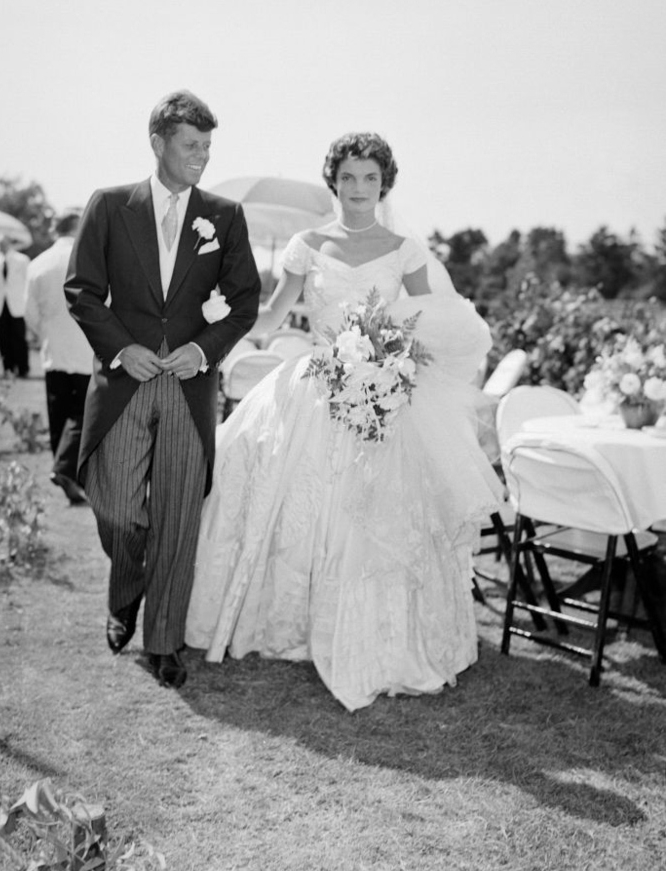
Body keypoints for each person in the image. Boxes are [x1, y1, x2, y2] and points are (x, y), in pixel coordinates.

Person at [185, 132, 505, 712]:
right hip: (314, 386)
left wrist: (389, 360)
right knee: (279, 490)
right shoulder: (308, 244)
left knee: (379, 509)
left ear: (385, 184)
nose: (359, 189)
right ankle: (287, 621)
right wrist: (211, 319)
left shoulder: (405, 249)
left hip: (382, 390)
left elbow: (428, 321)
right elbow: (274, 313)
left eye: (371, 179)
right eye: (350, 177)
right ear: (333, 180)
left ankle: (377, 629)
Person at [64, 89, 261, 688]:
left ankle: (165, 641)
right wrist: (124, 348)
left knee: (178, 515)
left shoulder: (224, 216)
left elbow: (245, 300)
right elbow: (82, 290)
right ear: (158, 143)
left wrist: (202, 350)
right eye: (189, 145)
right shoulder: (108, 205)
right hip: (125, 381)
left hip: (190, 386)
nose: (201, 156)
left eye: (207, 146)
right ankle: (126, 589)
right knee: (118, 506)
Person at [24, 211, 94, 505]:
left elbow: (29, 313)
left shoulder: (38, 263)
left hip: (53, 351)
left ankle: (62, 470)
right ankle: (68, 472)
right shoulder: (91, 258)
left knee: (59, 415)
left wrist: (47, 333)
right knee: (82, 414)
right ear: (78, 228)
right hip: (86, 348)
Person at [0, 234, 30, 377]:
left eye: (4, 243)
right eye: (0, 244)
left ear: (9, 243)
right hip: (1, 305)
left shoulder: (22, 260)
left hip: (17, 305)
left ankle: (23, 368)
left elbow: (27, 282)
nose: (2, 246)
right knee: (4, 339)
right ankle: (8, 368)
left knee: (19, 338)